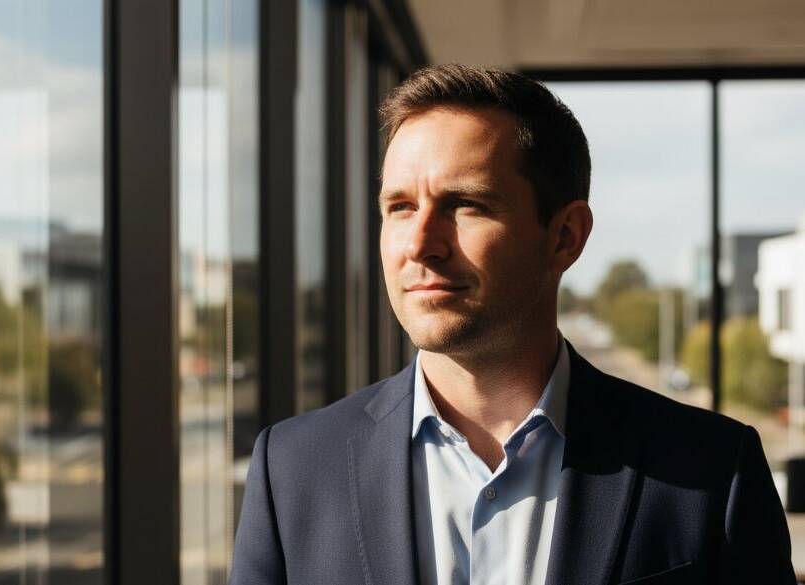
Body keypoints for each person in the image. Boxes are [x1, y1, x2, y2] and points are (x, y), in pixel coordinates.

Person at [230, 64, 796, 585]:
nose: (420, 245)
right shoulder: (293, 469)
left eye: (466, 204)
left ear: (565, 237)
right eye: (400, 207)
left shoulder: (712, 472)